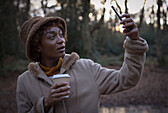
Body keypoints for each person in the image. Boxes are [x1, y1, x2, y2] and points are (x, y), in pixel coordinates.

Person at [16, 14, 148, 113]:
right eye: (52, 37)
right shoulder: (25, 81)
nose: (61, 40)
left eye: (61, 35)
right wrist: (45, 103)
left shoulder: (87, 68)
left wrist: (134, 41)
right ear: (37, 46)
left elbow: (126, 79)